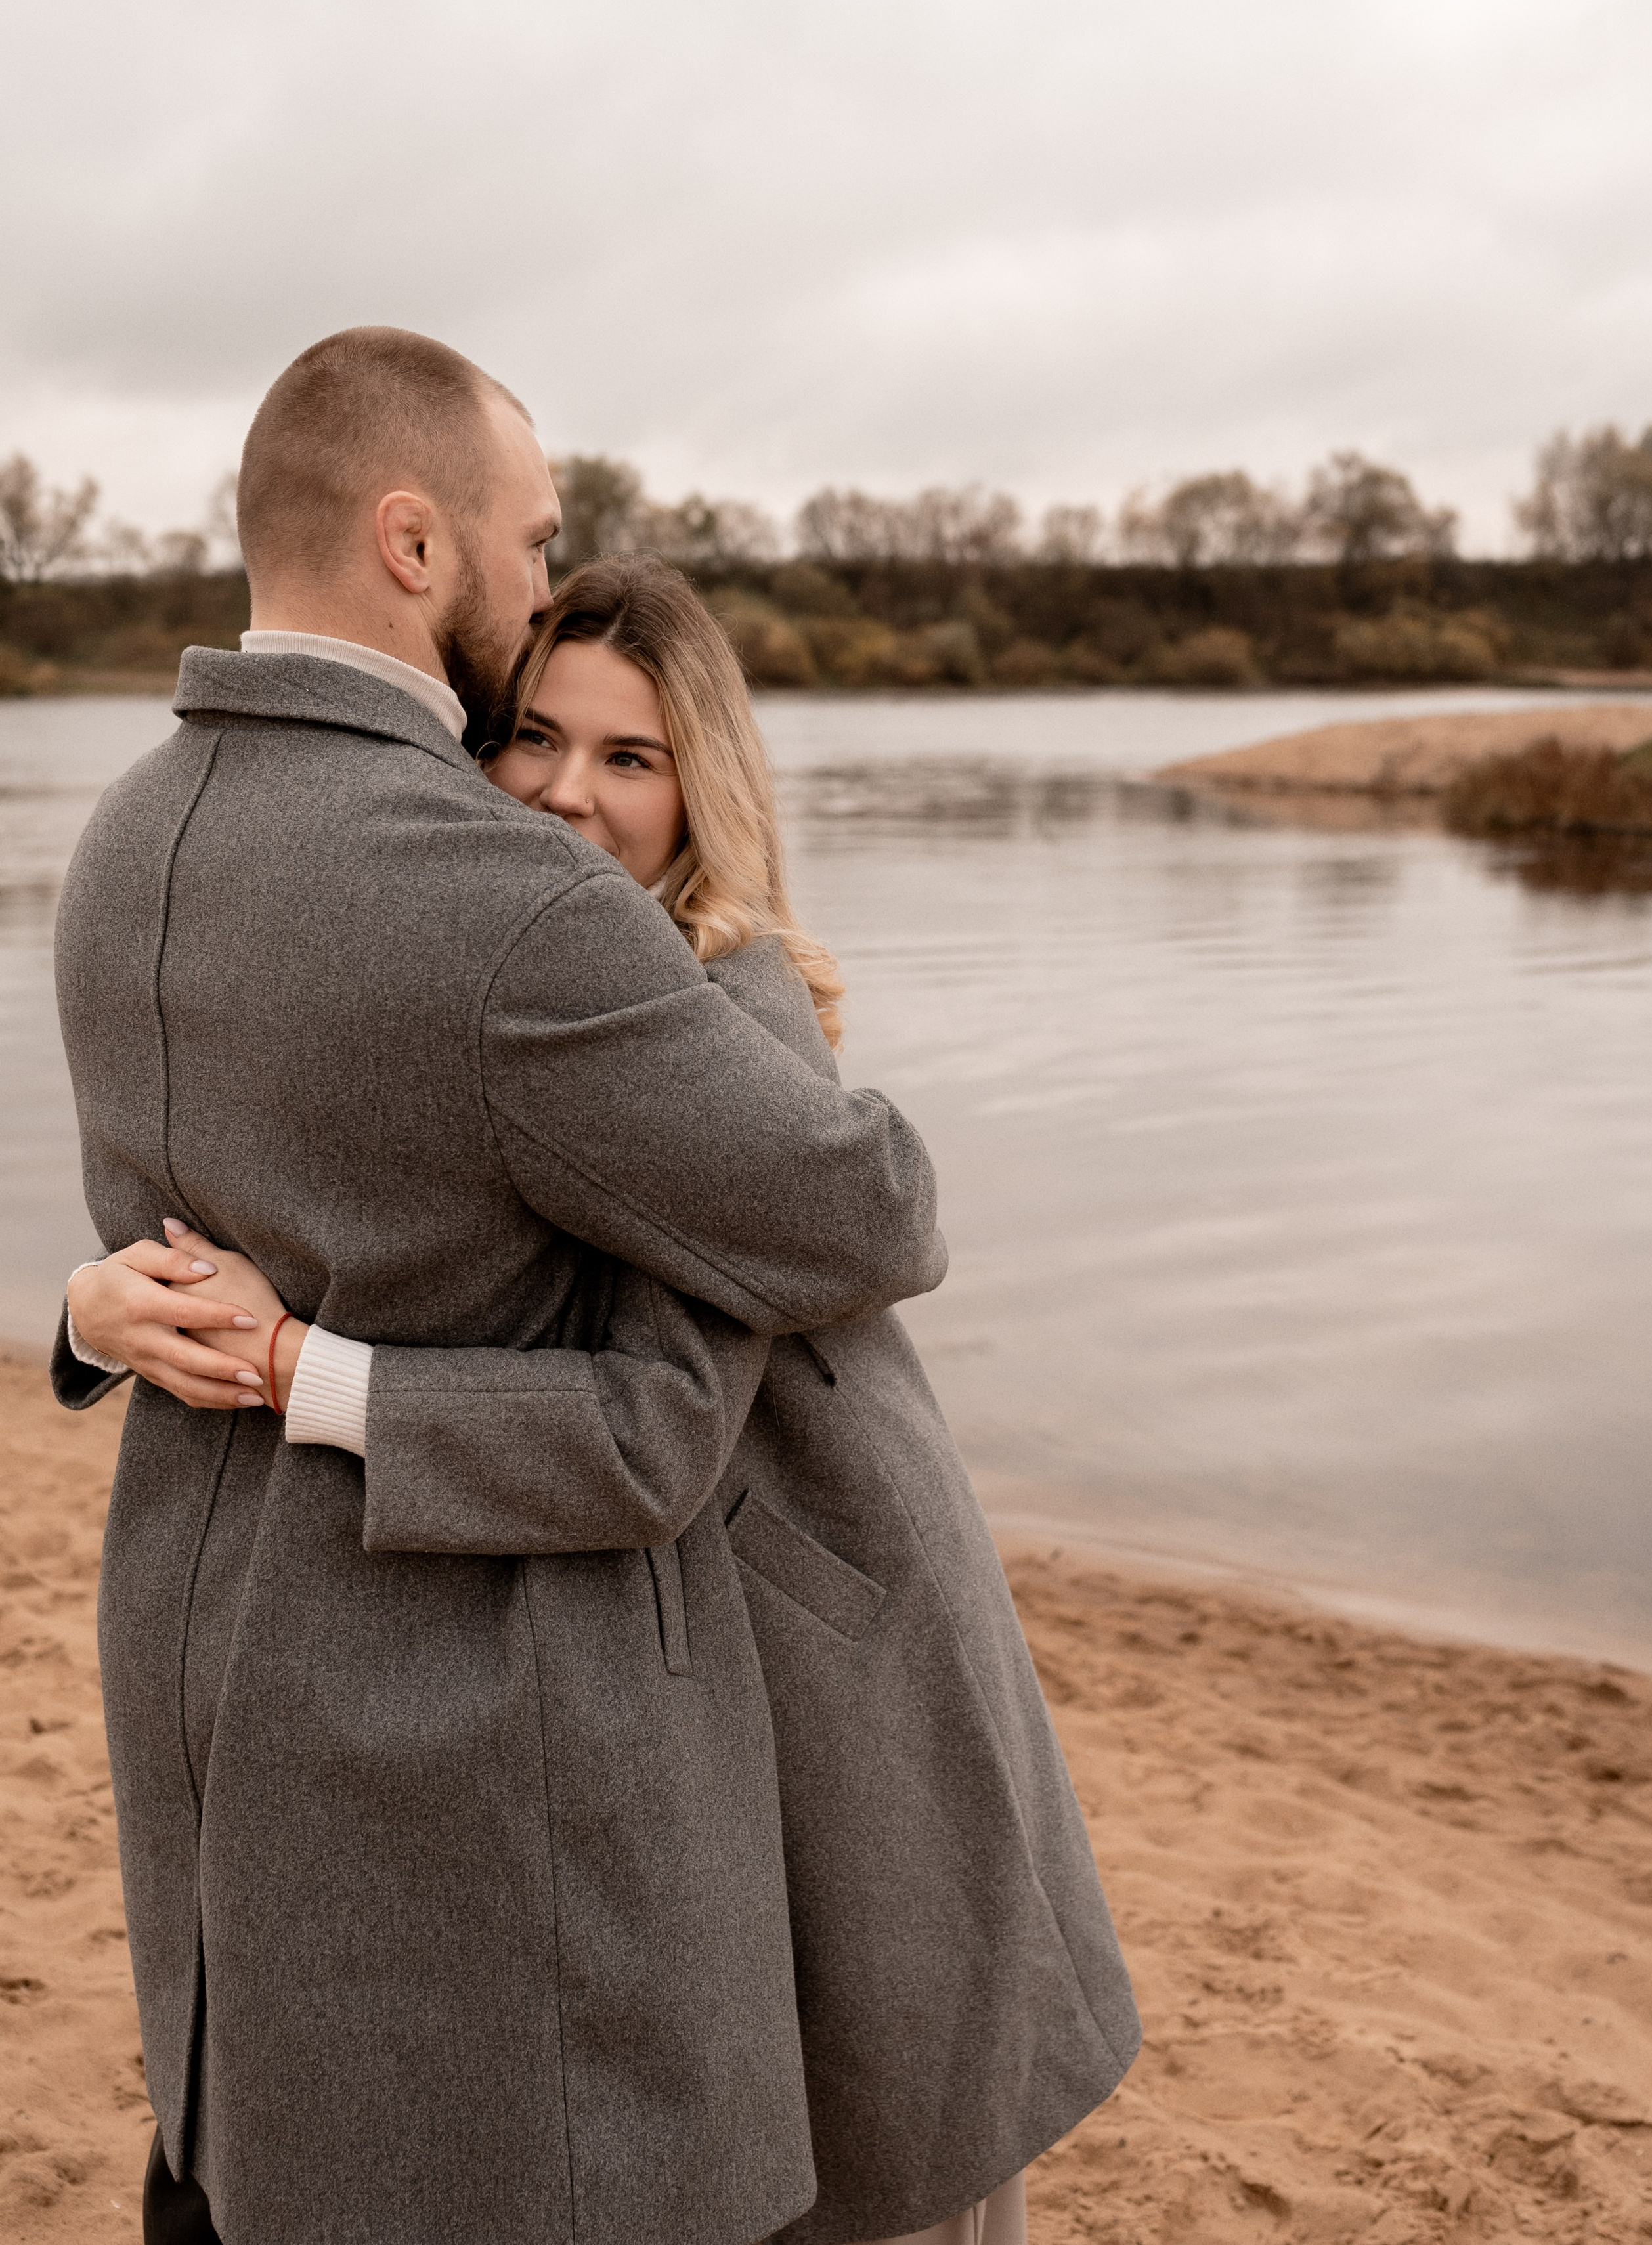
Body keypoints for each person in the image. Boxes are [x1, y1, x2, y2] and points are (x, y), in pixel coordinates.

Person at [72, 556, 1142, 2245]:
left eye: (630, 758)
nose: (569, 790)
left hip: (834, 1643)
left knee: (886, 2138)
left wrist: (296, 1368)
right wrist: (95, 1300)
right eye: (535, 741)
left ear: (700, 788)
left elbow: (654, 1422)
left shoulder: (706, 1006)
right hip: (714, 1634)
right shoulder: (489, 964)